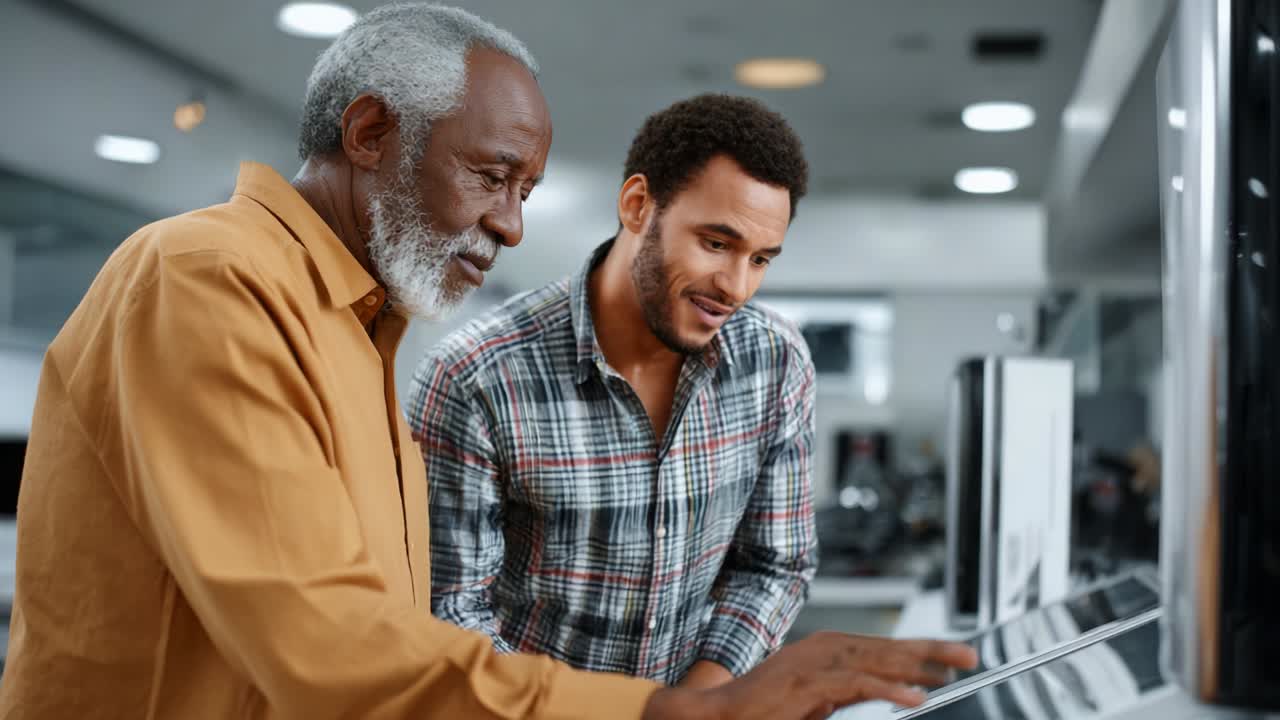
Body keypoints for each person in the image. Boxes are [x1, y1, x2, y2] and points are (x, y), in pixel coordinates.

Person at [0, 4, 975, 719]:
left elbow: (385, 631)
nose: (510, 224)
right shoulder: (206, 277)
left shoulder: (352, 319)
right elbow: (325, 641)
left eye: (528, 189)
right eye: (490, 177)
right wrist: (674, 715)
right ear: (371, 133)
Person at [411, 93, 964, 691]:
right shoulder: (476, 377)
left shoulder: (774, 361)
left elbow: (773, 568)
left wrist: (697, 708)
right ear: (638, 205)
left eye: (761, 259)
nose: (736, 287)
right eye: (717, 243)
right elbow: (451, 622)